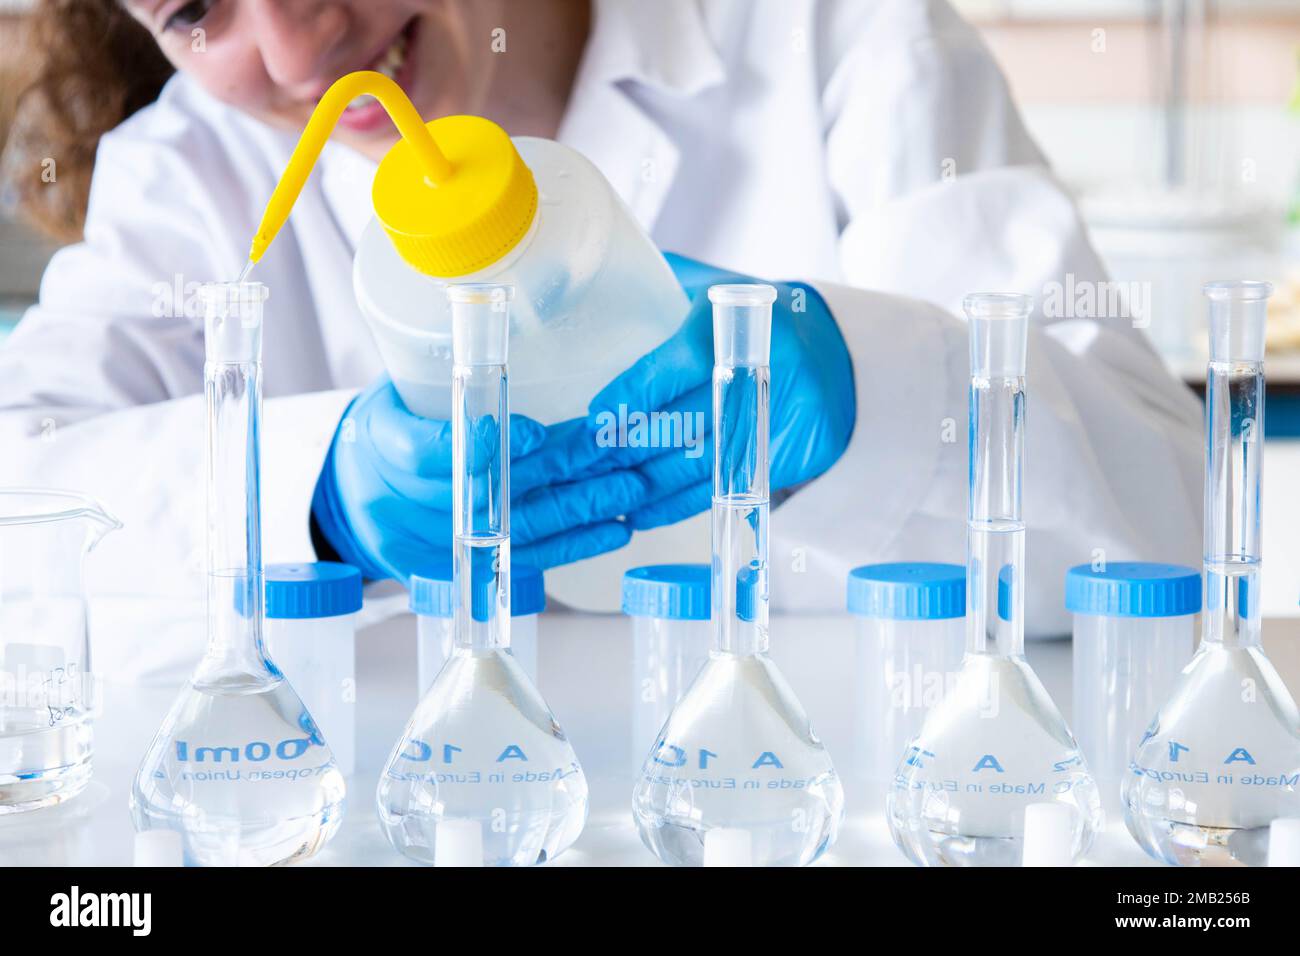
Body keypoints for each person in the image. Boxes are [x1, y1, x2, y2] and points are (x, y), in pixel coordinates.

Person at [0, 0, 1200, 680]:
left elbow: (1164, 528)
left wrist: (873, 397)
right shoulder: (192, 186)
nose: (303, 50)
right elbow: (20, 510)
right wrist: (313, 500)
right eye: (197, 12)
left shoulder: (833, 37)